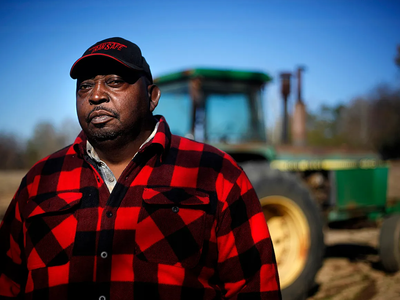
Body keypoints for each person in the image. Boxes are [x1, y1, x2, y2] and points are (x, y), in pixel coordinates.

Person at [0, 37, 281, 300]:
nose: (96, 95)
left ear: (152, 97)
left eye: (114, 81)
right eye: (85, 86)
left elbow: (255, 287)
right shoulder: (40, 180)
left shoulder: (216, 174)